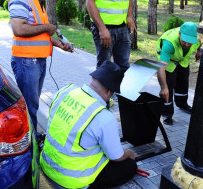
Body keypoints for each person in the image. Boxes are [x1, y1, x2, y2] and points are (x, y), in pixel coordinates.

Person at [40, 61, 137, 189]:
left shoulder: (65, 91)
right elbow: (116, 157)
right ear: (109, 91)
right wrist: (130, 153)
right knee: (129, 166)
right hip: (70, 180)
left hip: (46, 163)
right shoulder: (104, 117)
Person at [9, 0, 73, 133]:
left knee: (33, 104)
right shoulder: (21, 0)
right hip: (27, 62)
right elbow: (19, 30)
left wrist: (59, 44)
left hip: (37, 61)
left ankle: (32, 137)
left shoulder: (38, 4)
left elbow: (41, 34)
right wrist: (48, 26)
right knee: (29, 106)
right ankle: (30, 142)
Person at [156, 22, 201, 125]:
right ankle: (166, 113)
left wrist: (199, 51)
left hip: (182, 59)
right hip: (169, 61)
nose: (187, 44)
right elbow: (161, 67)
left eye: (190, 42)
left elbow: (201, 43)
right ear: (180, 34)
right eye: (185, 41)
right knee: (168, 86)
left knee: (183, 82)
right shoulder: (169, 43)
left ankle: (182, 104)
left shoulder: (198, 38)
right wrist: (163, 87)